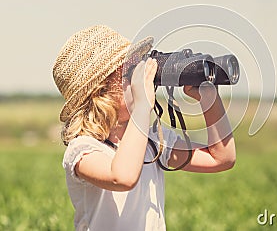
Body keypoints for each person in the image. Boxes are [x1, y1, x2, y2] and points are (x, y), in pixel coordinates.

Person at [52, 25, 236, 230]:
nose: (142, 81)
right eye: (130, 73)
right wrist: (142, 106)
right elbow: (122, 177)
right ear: (100, 91)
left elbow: (221, 158)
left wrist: (208, 97)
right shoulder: (83, 150)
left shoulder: (152, 141)